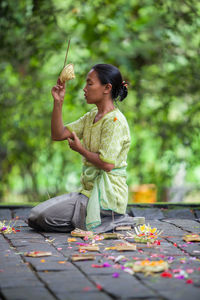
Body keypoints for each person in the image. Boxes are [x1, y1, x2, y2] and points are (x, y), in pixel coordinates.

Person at [28, 64, 141, 233]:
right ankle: (91, 218)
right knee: (34, 216)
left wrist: (81, 149)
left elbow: (107, 165)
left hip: (107, 195)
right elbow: (58, 134)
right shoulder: (91, 116)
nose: (84, 89)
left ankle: (107, 219)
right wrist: (58, 102)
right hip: (87, 191)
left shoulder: (115, 121)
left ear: (107, 88)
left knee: (43, 218)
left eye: (89, 83)